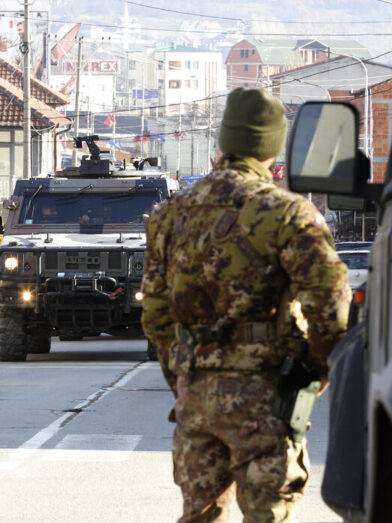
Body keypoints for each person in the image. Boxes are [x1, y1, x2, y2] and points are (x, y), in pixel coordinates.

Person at [142, 87, 351, 522]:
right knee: (267, 513)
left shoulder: (170, 215)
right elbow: (330, 304)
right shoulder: (287, 213)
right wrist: (317, 369)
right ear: (273, 147)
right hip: (266, 395)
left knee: (199, 514)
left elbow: (156, 316)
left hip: (196, 394)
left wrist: (184, 377)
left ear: (224, 141)